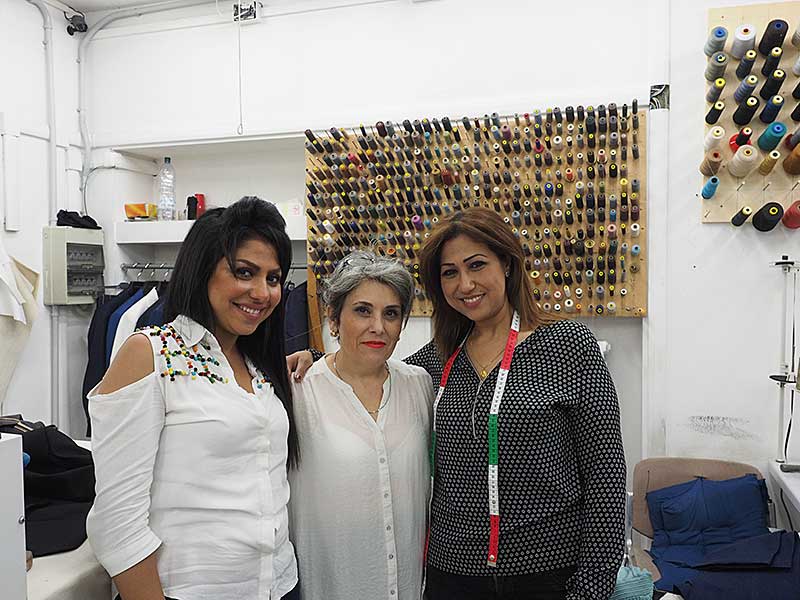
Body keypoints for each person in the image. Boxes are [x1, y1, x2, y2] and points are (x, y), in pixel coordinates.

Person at [289, 207, 626, 600]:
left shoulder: (567, 346)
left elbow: (606, 475)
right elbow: (372, 367)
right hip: (452, 574)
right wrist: (315, 358)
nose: (465, 284)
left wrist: (593, 585)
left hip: (546, 572)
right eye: (450, 272)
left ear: (507, 264)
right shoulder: (440, 360)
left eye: (476, 265)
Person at [87, 197, 300, 600]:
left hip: (278, 583)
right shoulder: (150, 354)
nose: (262, 292)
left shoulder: (260, 365)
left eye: (273, 278)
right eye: (244, 272)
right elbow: (116, 522)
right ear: (203, 270)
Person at [289, 251, 433, 600]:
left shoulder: (420, 384)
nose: (378, 327)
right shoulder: (297, 391)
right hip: (330, 588)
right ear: (333, 318)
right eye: (363, 311)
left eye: (391, 313)